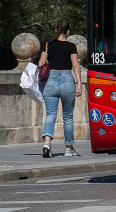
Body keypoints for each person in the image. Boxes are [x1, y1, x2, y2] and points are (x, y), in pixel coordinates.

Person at [38, 19, 83, 158]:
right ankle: (69, 149)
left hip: (51, 80)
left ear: (56, 30)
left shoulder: (48, 45)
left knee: (50, 114)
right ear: (68, 32)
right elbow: (75, 65)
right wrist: (79, 83)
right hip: (67, 80)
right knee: (68, 117)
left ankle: (47, 143)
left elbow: (40, 64)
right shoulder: (71, 46)